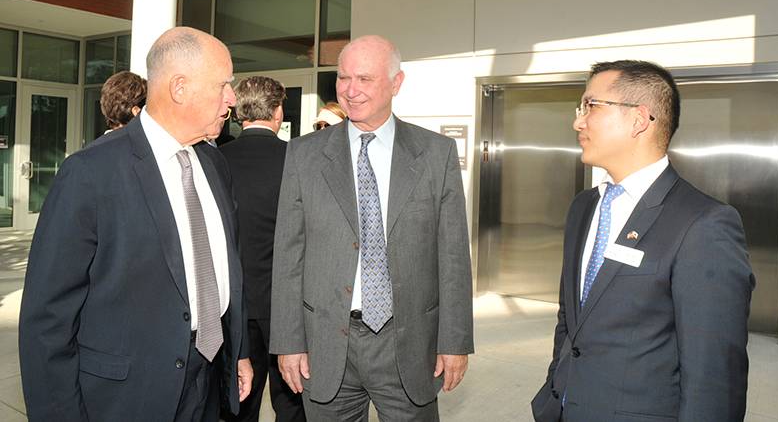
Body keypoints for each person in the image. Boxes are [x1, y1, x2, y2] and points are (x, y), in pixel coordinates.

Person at [19, 27, 253, 422]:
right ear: (179, 88)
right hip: (127, 397)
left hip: (209, 380)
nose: (232, 98)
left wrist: (238, 350)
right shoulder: (90, 173)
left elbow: (226, 264)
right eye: (223, 84)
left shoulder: (214, 164)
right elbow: (47, 319)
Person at [531, 60, 755, 422]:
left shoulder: (703, 224)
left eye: (590, 106)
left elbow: (715, 377)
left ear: (639, 119)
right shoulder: (584, 207)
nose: (578, 121)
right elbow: (570, 319)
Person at [270, 35, 474, 420]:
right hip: (325, 344)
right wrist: (287, 342)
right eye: (344, 78)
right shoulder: (304, 154)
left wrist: (455, 340)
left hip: (410, 345)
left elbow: (452, 256)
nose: (350, 90)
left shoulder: (435, 154)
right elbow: (288, 254)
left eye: (364, 79)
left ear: (396, 83)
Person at [220, 76, 305, 422]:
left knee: (239, 401)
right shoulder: (299, 160)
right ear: (277, 110)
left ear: (240, 112)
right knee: (293, 401)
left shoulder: (214, 160)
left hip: (233, 303)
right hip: (288, 305)